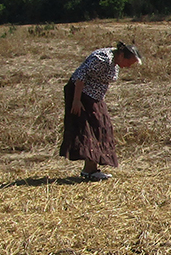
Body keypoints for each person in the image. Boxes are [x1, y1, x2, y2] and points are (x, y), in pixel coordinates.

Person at [59, 41, 142, 180]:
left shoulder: (114, 61)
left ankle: (90, 169)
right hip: (81, 94)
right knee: (90, 128)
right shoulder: (102, 59)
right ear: (122, 55)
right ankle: (90, 170)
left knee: (102, 127)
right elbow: (80, 77)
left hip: (94, 97)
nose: (129, 66)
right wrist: (77, 100)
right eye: (129, 62)